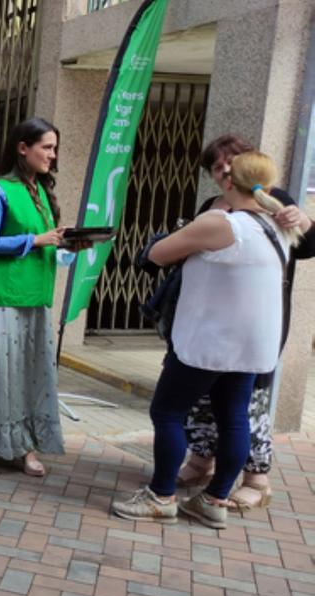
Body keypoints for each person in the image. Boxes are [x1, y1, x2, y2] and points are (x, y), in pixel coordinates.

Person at [113, 151, 290, 529]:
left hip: (209, 343)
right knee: (234, 419)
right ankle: (215, 500)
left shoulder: (222, 222)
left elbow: (157, 254)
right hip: (252, 347)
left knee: (168, 412)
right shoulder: (276, 228)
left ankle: (161, 496)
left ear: (228, 183)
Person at [172, 135, 313, 511]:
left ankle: (257, 478)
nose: (225, 171)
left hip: (256, 322)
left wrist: (302, 218)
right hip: (209, 321)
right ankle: (202, 461)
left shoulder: (274, 200)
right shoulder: (212, 207)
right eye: (217, 167)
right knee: (203, 399)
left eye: (231, 162)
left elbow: (308, 244)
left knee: (249, 402)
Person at [0, 117, 70, 476]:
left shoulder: (40, 193)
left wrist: (66, 241)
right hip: (3, 296)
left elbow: (45, 240)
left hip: (35, 296)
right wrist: (34, 240)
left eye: (55, 148)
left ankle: (24, 446)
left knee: (30, 373)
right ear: (23, 148)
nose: (52, 155)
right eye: (46, 147)